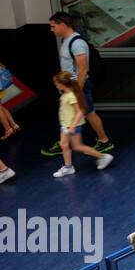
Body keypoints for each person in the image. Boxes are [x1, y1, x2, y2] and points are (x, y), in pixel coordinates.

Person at [42, 14, 112, 160]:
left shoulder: (77, 43)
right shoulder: (66, 41)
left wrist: (76, 91)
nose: (51, 29)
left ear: (63, 24)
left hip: (78, 86)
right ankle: (65, 142)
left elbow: (83, 69)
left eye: (53, 26)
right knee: (75, 114)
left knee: (89, 113)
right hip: (71, 87)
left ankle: (104, 141)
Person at [51, 72, 113, 177]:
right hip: (65, 125)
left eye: (56, 83)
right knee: (64, 145)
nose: (55, 85)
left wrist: (73, 126)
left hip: (71, 126)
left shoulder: (71, 96)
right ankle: (68, 167)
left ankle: (103, 157)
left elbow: (80, 111)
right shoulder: (66, 95)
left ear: (62, 84)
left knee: (77, 146)